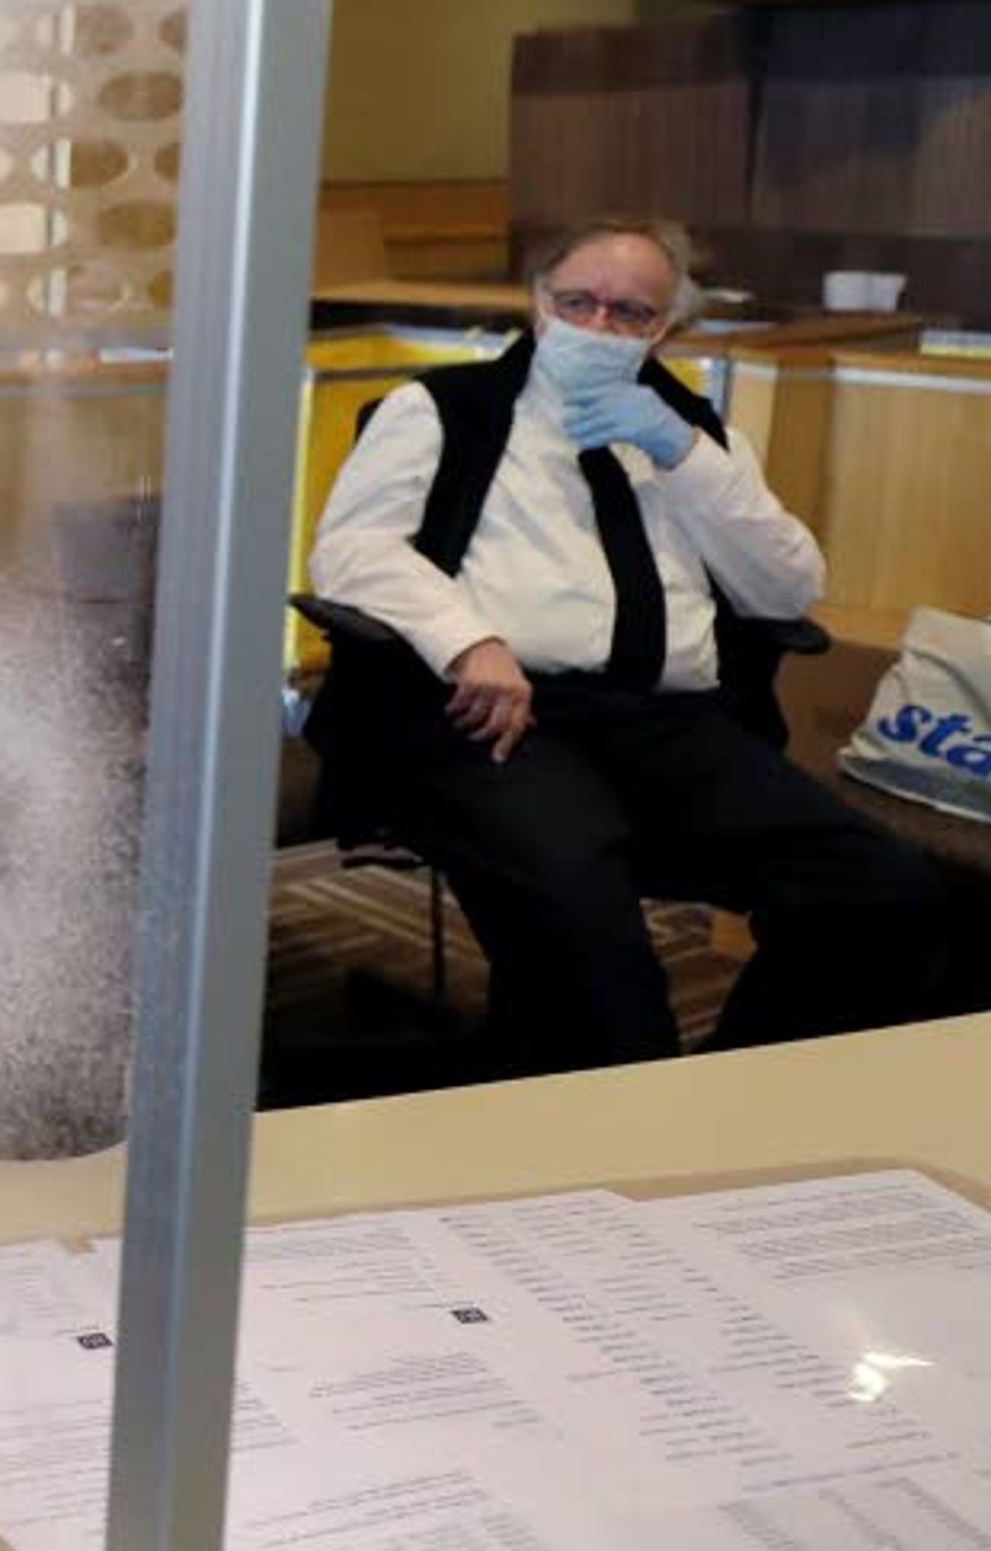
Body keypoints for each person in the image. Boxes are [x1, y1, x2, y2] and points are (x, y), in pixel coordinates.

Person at [305, 216, 945, 1068]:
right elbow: (350, 550)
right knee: (580, 907)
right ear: (540, 306)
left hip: (667, 724)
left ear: (665, 330)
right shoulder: (443, 410)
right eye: (580, 303)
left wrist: (680, 453)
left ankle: (753, 1088)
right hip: (499, 714)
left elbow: (787, 589)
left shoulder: (694, 438)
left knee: (884, 891)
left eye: (630, 314)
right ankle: (604, 1121)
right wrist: (467, 640)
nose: (600, 327)